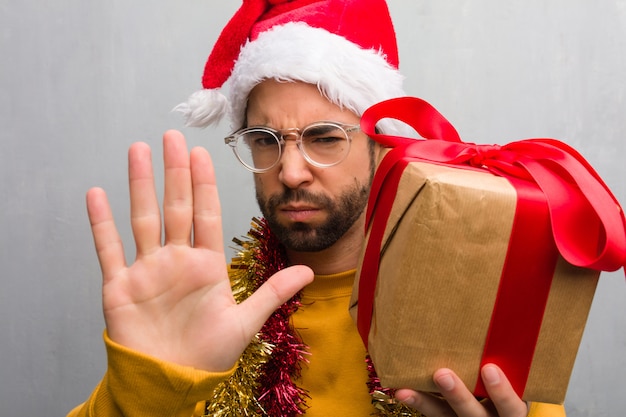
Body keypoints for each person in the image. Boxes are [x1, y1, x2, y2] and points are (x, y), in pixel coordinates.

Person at [68, 1, 567, 416]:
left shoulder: (474, 307)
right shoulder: (207, 315)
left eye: (324, 138)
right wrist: (148, 386)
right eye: (265, 140)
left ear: (381, 143)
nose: (289, 172)